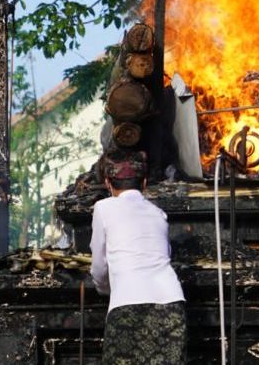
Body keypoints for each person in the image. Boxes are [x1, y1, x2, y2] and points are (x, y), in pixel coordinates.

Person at [90, 149, 186, 364]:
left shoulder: (103, 208)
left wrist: (104, 288)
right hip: (171, 304)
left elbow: (98, 267)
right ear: (144, 183)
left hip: (127, 305)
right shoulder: (159, 213)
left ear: (107, 182)